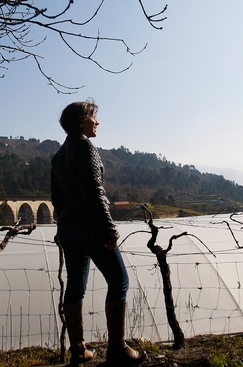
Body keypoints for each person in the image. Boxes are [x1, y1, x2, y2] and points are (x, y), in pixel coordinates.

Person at [51, 100, 146, 366]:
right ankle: (117, 348)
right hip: (91, 227)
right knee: (119, 282)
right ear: (81, 121)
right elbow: (95, 192)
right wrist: (108, 229)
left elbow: (57, 200)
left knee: (75, 287)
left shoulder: (58, 157)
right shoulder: (86, 148)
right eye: (94, 117)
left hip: (69, 230)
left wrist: (67, 226)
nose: (97, 122)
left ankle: (79, 351)